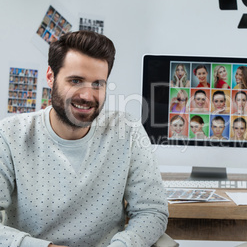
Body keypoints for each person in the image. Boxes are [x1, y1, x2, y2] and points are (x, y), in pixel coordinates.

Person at [0, 31, 168, 247]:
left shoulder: (128, 131)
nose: (88, 96)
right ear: (51, 77)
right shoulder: (9, 135)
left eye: (98, 84)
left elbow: (151, 210)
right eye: (76, 80)